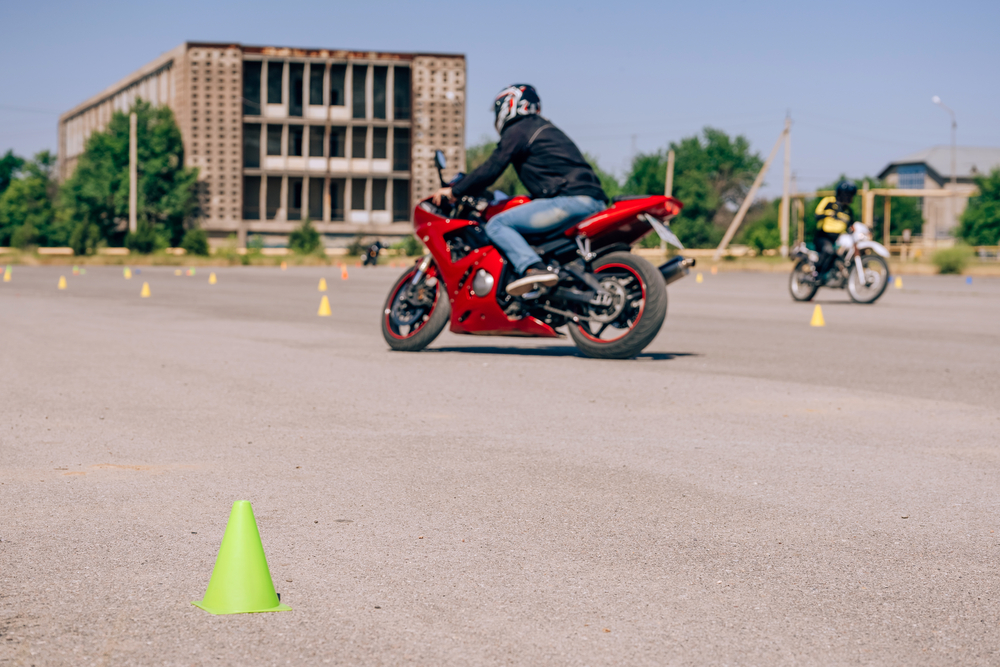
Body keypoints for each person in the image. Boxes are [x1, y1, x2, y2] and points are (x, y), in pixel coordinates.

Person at [432, 84, 607, 296]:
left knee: (497, 224)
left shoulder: (520, 129)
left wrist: (454, 191)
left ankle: (532, 268)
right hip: (593, 200)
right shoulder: (544, 128)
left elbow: (493, 167)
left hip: (569, 199)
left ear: (509, 105)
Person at [812, 180, 857, 282]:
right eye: (848, 195)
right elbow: (817, 215)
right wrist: (829, 214)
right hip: (823, 236)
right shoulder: (829, 202)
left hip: (838, 238)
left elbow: (852, 226)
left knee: (845, 252)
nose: (850, 197)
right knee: (829, 250)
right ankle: (817, 274)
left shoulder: (848, 211)